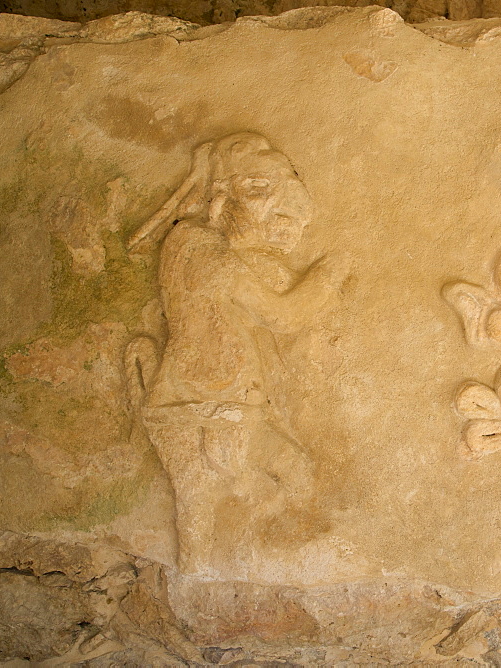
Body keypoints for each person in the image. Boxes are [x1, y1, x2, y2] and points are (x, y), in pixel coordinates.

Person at [126, 132, 346, 580]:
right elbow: (285, 314)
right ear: (220, 198)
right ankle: (218, 591)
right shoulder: (198, 247)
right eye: (260, 193)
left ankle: (220, 585)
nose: (284, 216)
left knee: (203, 513)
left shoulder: (198, 246)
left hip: (199, 403)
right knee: (218, 506)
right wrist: (328, 275)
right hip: (206, 407)